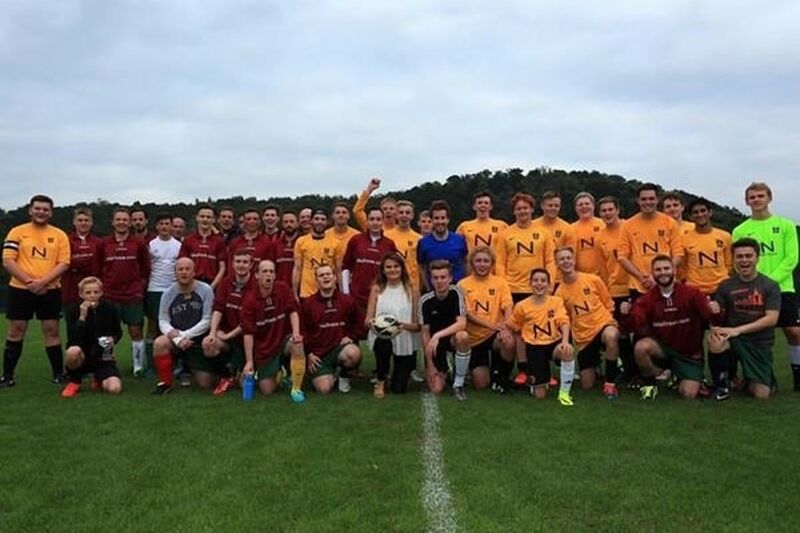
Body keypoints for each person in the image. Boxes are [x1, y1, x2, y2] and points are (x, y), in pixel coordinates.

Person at [732, 182, 800, 390]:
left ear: (769, 198)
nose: (756, 200)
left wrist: (768, 282)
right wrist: (756, 283)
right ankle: (764, 376)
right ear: (746, 201)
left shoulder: (786, 225)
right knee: (757, 334)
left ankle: (798, 376)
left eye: (760, 196)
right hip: (752, 290)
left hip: (783, 288)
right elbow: (738, 260)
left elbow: (791, 258)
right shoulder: (740, 230)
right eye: (752, 197)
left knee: (794, 331)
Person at [624, 255, 720, 400]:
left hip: (689, 354)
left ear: (674, 270)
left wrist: (716, 311)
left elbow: (710, 319)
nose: (663, 272)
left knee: (688, 394)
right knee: (641, 347)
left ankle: (680, 376)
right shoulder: (646, 300)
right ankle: (650, 384)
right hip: (663, 349)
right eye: (658, 270)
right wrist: (626, 314)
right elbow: (633, 327)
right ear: (653, 273)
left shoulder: (692, 294)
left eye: (666, 268)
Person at [1, 194, 71, 387]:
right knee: (16, 330)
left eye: (45, 209)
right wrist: (30, 282)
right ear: (30, 210)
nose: (41, 212)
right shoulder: (17, 232)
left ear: (51, 212)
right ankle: (7, 377)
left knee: (51, 330)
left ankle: (58, 374)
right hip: (19, 289)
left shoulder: (59, 235)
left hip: (50, 290)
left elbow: (64, 263)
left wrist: (42, 283)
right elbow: (8, 260)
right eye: (37, 208)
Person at [709, 238, 781, 400]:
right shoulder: (726, 285)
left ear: (757, 258)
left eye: (748, 256)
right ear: (734, 259)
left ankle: (762, 378)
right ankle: (722, 386)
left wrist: (737, 330)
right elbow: (718, 317)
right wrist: (714, 312)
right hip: (734, 339)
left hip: (759, 342)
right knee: (715, 340)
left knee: (761, 395)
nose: (744, 260)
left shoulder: (770, 285)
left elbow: (771, 319)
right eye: (739, 257)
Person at [554, 247, 621, 398]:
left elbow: (608, 302)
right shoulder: (559, 293)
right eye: (562, 259)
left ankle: (610, 383)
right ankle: (598, 365)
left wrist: (609, 321)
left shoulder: (592, 279)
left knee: (611, 336)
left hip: (602, 325)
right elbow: (565, 320)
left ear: (574, 260)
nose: (566, 261)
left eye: (568, 258)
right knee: (587, 385)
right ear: (557, 264)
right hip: (584, 338)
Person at [240, 260, 306, 402]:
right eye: (265, 271)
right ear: (256, 275)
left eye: (271, 271)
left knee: (297, 344)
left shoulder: (282, 288)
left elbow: (293, 311)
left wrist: (296, 334)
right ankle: (281, 374)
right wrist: (249, 361)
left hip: (283, 341)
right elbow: (248, 333)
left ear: (275, 275)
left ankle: (296, 388)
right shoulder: (249, 301)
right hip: (265, 349)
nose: (268, 275)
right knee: (267, 390)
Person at [96, 207, 151, 377]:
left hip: (132, 296)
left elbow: (145, 270)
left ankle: (138, 366)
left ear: (129, 222)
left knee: (135, 331)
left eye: (125, 220)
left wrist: (138, 289)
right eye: (118, 219)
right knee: (107, 333)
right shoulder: (103, 243)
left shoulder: (138, 243)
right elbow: (97, 271)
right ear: (113, 222)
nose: (121, 222)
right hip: (109, 296)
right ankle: (106, 364)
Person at [508, 268, 575, 405]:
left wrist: (565, 341)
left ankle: (564, 394)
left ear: (549, 284)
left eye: (543, 281)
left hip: (553, 343)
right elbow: (513, 325)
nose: (539, 284)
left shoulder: (556, 301)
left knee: (567, 351)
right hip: (534, 347)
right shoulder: (521, 306)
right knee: (540, 395)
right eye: (536, 280)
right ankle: (536, 381)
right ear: (530, 284)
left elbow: (564, 322)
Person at [151, 258, 216, 394]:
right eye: (180, 269)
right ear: (175, 272)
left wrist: (184, 336)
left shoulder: (206, 290)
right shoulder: (168, 293)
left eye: (187, 269)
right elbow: (163, 320)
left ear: (194, 272)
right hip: (176, 340)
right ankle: (165, 383)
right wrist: (177, 339)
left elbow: (206, 320)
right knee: (159, 343)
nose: (184, 272)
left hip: (197, 339)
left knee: (206, 383)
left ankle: (189, 366)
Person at [456, 246, 516, 391]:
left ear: (492, 264)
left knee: (508, 341)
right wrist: (491, 325)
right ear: (472, 263)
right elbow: (467, 314)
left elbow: (508, 306)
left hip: (495, 335)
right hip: (474, 338)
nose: (482, 264)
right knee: (481, 385)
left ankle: (502, 376)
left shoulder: (500, 283)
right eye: (478, 261)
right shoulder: (462, 285)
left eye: (486, 261)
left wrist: (507, 328)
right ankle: (480, 369)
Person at [301, 265, 362, 395]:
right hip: (319, 355)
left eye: (328, 274)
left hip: (339, 349)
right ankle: (330, 375)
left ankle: (344, 375)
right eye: (321, 275)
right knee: (324, 389)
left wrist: (352, 337)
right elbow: (302, 331)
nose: (326, 277)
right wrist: (309, 354)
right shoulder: (308, 304)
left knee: (353, 353)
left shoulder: (347, 301)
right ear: (316, 280)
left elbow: (359, 324)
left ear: (335, 277)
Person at [202, 249, 256, 395]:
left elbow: (249, 319)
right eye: (238, 261)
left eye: (245, 262)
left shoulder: (256, 286)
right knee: (208, 344)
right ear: (232, 263)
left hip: (249, 340)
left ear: (251, 265)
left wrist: (228, 335)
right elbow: (218, 309)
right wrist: (213, 332)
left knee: (244, 385)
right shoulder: (226, 283)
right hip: (228, 337)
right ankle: (226, 375)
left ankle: (241, 371)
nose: (241, 265)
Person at [366, 253, 420, 396]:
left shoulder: (412, 289)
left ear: (402, 268)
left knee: (399, 390)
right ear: (383, 270)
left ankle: (400, 376)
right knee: (383, 345)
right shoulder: (377, 289)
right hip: (383, 338)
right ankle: (381, 379)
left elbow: (417, 326)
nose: (392, 270)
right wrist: (376, 324)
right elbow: (367, 321)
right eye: (388, 267)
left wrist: (399, 326)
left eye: (396, 266)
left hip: (404, 338)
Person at [61, 277, 123, 397]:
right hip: (82, 356)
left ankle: (98, 378)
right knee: (73, 351)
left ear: (101, 292)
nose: (92, 295)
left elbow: (118, 333)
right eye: (88, 293)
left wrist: (112, 340)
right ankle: (74, 382)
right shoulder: (73, 310)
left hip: (103, 357)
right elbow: (74, 339)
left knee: (115, 389)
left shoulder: (110, 308)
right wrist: (82, 317)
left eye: (96, 292)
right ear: (81, 294)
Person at [341, 207, 397, 339]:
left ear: (383, 221)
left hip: (380, 296)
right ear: (367, 221)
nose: (375, 222)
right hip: (356, 296)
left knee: (381, 335)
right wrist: (346, 293)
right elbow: (346, 267)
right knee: (353, 335)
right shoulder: (356, 240)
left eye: (378, 219)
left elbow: (394, 270)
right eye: (372, 219)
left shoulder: (389, 244)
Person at [618, 183, 683, 296]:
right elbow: (622, 257)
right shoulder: (628, 225)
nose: (648, 202)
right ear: (638, 201)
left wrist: (658, 275)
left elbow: (678, 254)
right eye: (644, 199)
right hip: (639, 286)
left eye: (651, 198)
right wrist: (641, 277)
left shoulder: (669, 222)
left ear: (658, 200)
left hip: (666, 284)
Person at [596, 196, 635, 382]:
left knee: (642, 330)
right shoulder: (600, 237)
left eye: (610, 209)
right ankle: (628, 369)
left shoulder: (630, 228)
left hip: (635, 286)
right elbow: (603, 268)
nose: (607, 213)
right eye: (603, 211)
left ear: (618, 210)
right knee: (621, 333)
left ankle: (646, 370)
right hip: (615, 290)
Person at [418, 260, 471, 400]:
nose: (439, 281)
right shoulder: (425, 301)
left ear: (450, 278)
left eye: (443, 277)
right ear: (430, 279)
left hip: (452, 339)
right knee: (436, 389)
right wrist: (430, 364)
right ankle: (445, 367)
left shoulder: (456, 292)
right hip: (435, 346)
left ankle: (458, 383)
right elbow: (424, 333)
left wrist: (438, 335)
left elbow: (462, 323)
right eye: (435, 278)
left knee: (463, 336)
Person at [496, 192, 555, 301]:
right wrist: (503, 288)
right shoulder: (505, 234)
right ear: (514, 211)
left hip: (537, 287)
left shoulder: (544, 232)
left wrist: (549, 286)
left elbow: (550, 261)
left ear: (532, 209)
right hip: (512, 289)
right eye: (518, 209)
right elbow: (500, 264)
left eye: (525, 208)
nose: (522, 211)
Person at [144, 213, 182, 376]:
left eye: (168, 223)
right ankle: (152, 365)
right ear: (157, 226)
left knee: (174, 326)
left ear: (172, 226)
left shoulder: (179, 245)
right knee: (153, 326)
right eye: (161, 224)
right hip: (154, 289)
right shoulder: (150, 245)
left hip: (173, 289)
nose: (165, 227)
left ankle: (176, 363)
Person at [62, 206, 100, 347]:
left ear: (91, 223)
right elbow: (64, 263)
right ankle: (74, 362)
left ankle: (95, 361)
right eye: (80, 220)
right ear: (74, 222)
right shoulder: (65, 240)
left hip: (93, 292)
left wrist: (78, 265)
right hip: (71, 292)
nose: (83, 223)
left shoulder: (97, 242)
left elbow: (99, 265)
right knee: (74, 328)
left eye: (86, 220)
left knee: (94, 328)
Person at [417, 200, 468, 291]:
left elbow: (466, 263)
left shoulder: (459, 240)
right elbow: (422, 267)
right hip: (435, 292)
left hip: (458, 291)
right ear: (432, 220)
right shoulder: (423, 243)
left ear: (448, 219)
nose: (440, 221)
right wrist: (428, 288)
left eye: (443, 218)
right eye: (436, 218)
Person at [292, 209, 338, 299]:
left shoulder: (335, 243)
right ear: (311, 221)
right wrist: (294, 293)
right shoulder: (301, 241)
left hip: (329, 292)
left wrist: (342, 291)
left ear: (327, 222)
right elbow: (297, 268)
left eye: (322, 219)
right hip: (307, 293)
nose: (319, 222)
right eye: (316, 219)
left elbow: (338, 270)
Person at [179, 205, 227, 287]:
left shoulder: (219, 240)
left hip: (212, 283)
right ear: (197, 218)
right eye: (202, 216)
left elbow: (222, 268)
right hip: (192, 283)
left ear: (213, 220)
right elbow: (182, 264)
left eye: (208, 217)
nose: (205, 219)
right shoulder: (188, 239)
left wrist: (212, 287)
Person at [456, 191, 508, 257]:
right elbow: (456, 248)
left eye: (486, 203)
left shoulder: (502, 225)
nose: (483, 205)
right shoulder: (464, 226)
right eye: (479, 203)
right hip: (472, 266)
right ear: (474, 206)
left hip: (494, 266)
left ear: (491, 207)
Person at [385, 200, 422, 289]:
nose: (404, 215)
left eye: (407, 212)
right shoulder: (386, 235)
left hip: (412, 285)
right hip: (390, 284)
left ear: (412, 216)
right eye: (401, 212)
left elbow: (420, 265)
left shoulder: (419, 239)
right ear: (396, 215)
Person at [571, 192, 607, 278]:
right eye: (580, 205)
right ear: (576, 208)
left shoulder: (604, 224)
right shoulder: (570, 229)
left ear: (593, 206)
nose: (584, 207)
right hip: (582, 277)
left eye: (587, 204)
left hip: (605, 276)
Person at [226, 208, 274, 272]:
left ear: (259, 222)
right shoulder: (234, 242)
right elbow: (230, 267)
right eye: (248, 219)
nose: (252, 221)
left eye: (255, 219)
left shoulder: (267, 243)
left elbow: (269, 267)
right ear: (244, 221)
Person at [325, 202, 360, 269]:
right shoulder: (325, 235)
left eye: (344, 212)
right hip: (329, 274)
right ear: (333, 216)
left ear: (349, 216)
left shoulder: (357, 235)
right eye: (337, 213)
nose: (341, 215)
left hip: (350, 272)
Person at [275, 210, 300, 286]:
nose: (289, 224)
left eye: (292, 222)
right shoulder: (276, 244)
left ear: (297, 223)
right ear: (282, 224)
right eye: (286, 222)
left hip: (300, 287)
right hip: (280, 287)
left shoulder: (303, 242)